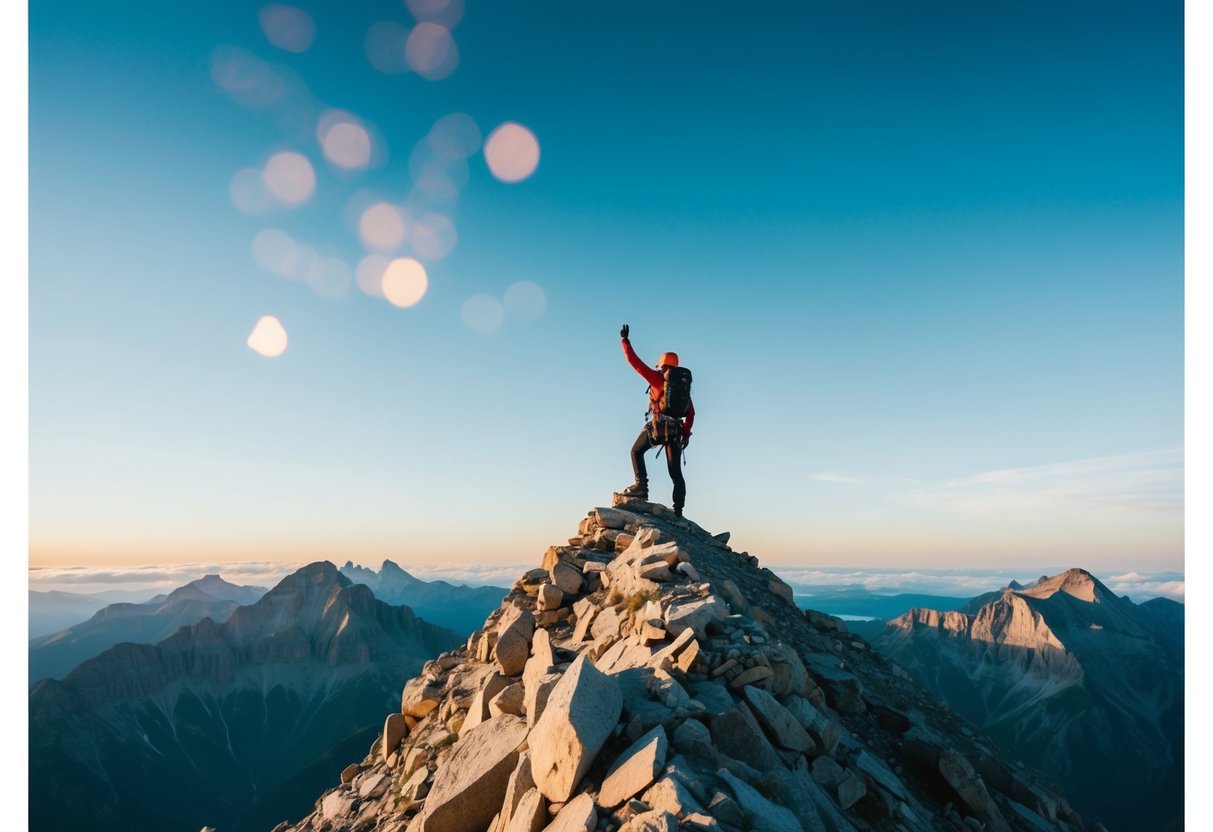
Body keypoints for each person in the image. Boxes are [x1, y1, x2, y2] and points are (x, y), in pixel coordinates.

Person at [619, 323, 694, 516]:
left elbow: (634, 362)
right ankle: (678, 510)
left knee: (636, 451)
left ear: (661, 365)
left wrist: (625, 341)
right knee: (675, 473)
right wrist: (685, 433)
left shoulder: (657, 378)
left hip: (659, 428)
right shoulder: (682, 389)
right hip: (676, 431)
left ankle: (641, 487)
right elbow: (691, 413)